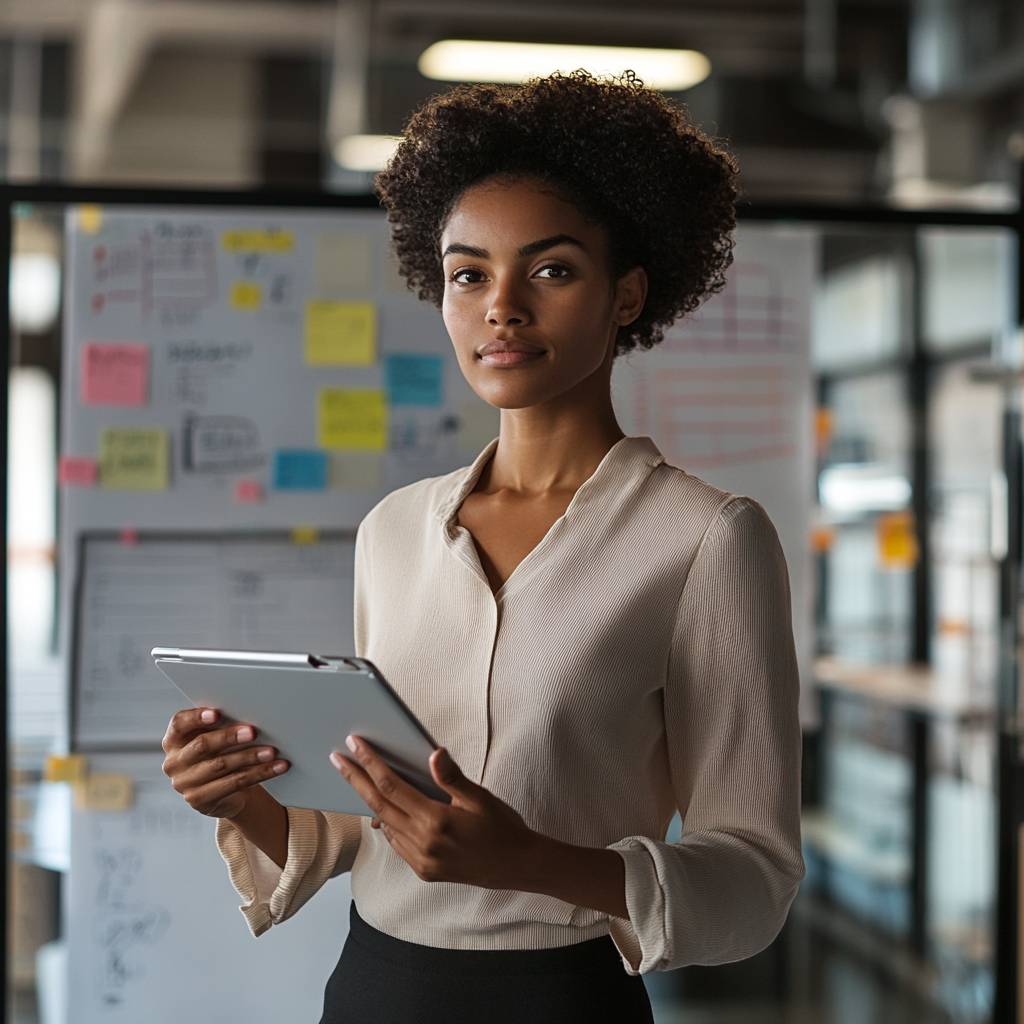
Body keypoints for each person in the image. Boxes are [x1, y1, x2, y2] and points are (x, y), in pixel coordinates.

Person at [160, 68, 805, 1023]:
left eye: (550, 269)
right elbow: (371, 818)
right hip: (374, 988)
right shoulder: (394, 530)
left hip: (556, 998)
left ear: (626, 295)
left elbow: (754, 879)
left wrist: (529, 862)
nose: (501, 306)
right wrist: (238, 800)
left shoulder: (706, 540)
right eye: (469, 273)